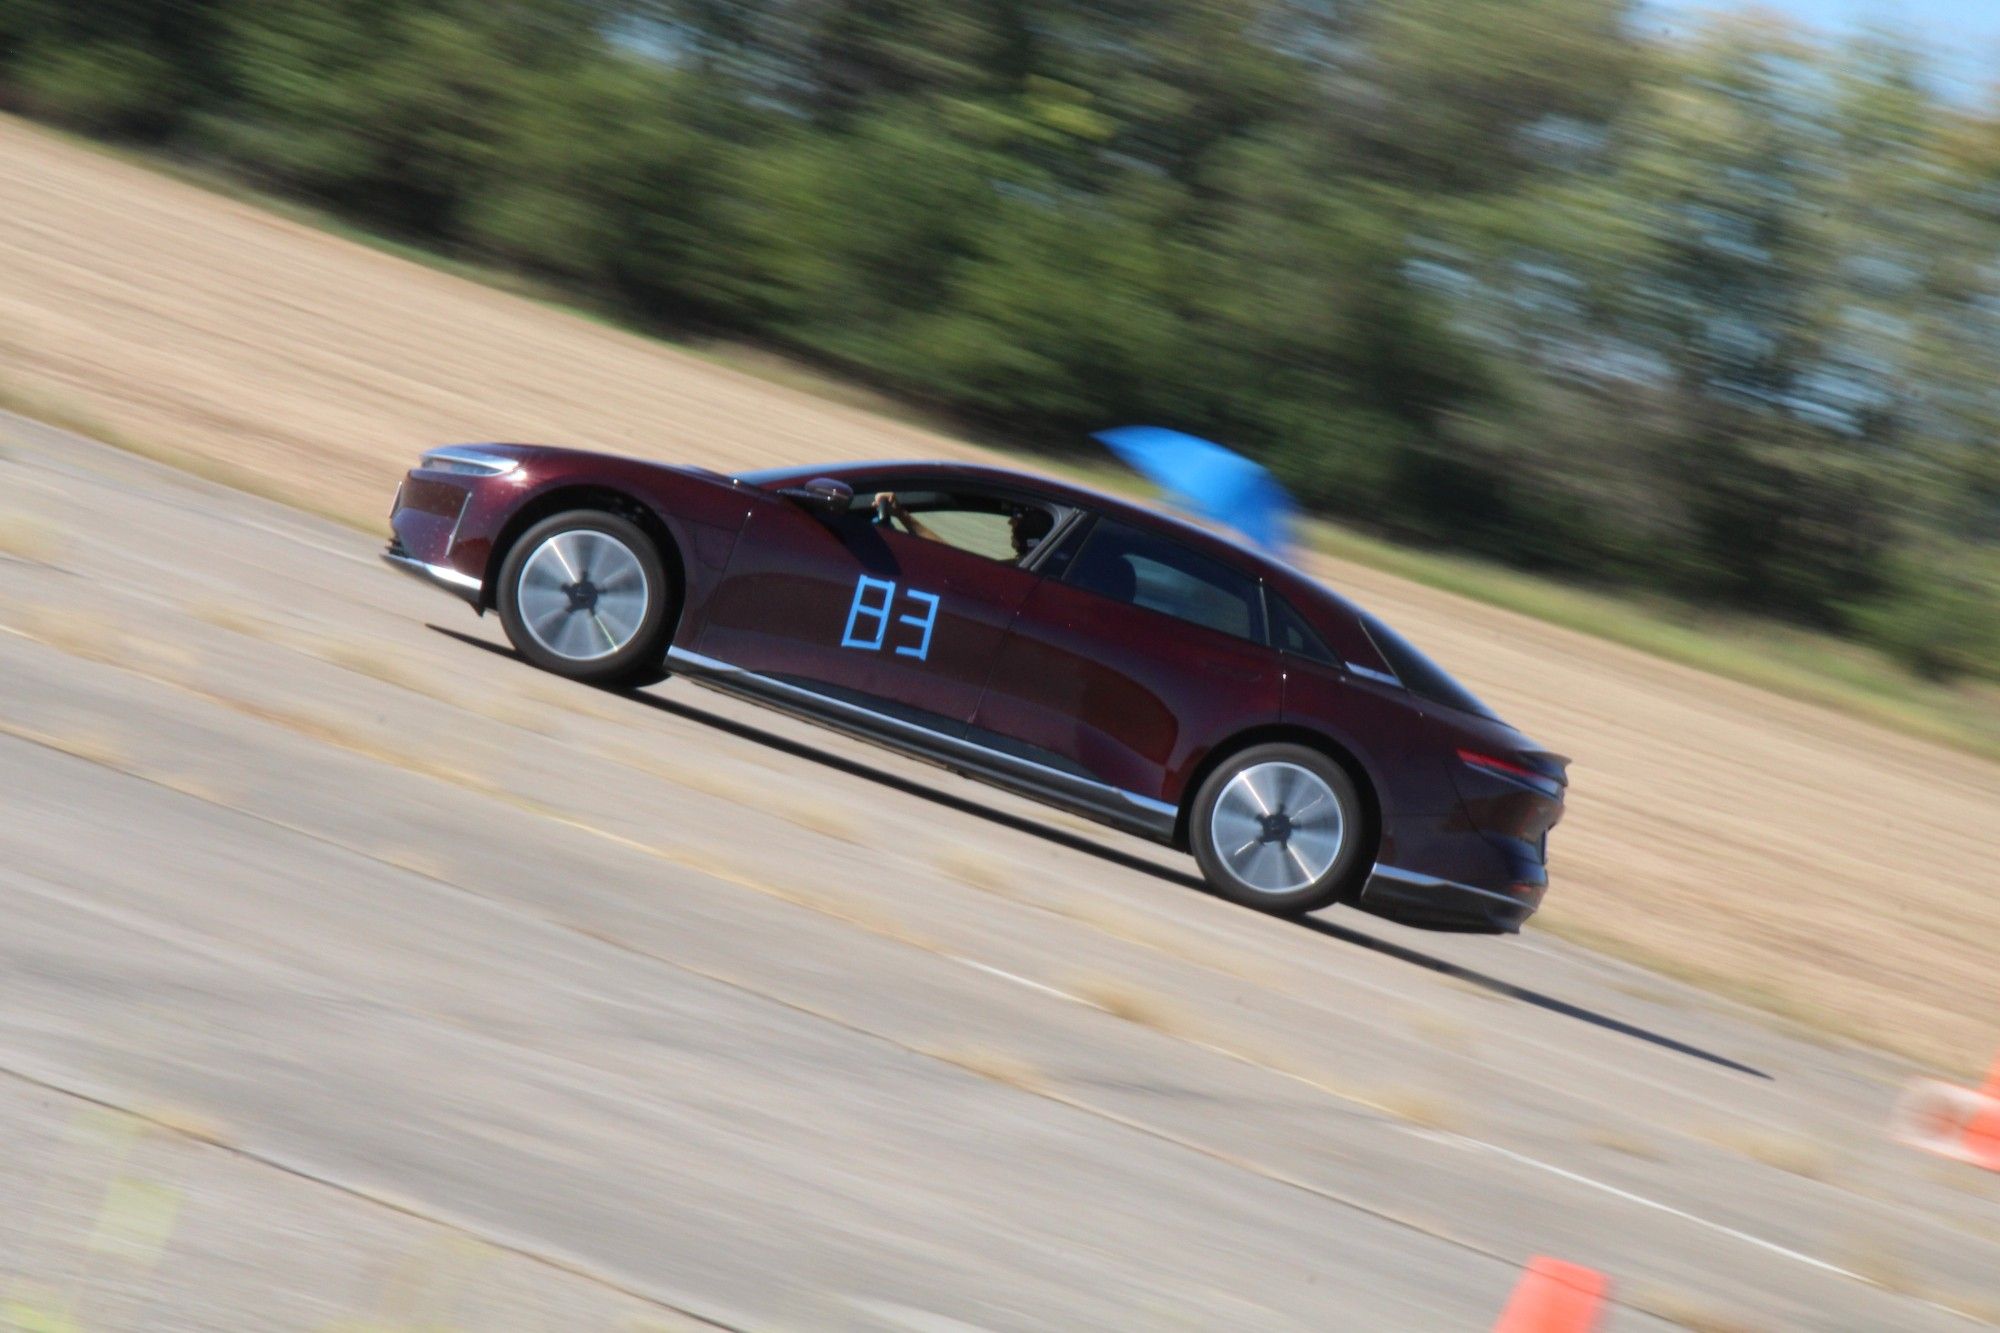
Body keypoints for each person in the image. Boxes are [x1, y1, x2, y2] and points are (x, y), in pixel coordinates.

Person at [872, 492, 1055, 565]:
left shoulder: (1022, 573)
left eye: (1018, 518)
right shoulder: (1025, 568)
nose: (1011, 523)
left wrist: (903, 517)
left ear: (1035, 529)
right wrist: (903, 516)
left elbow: (953, 562)